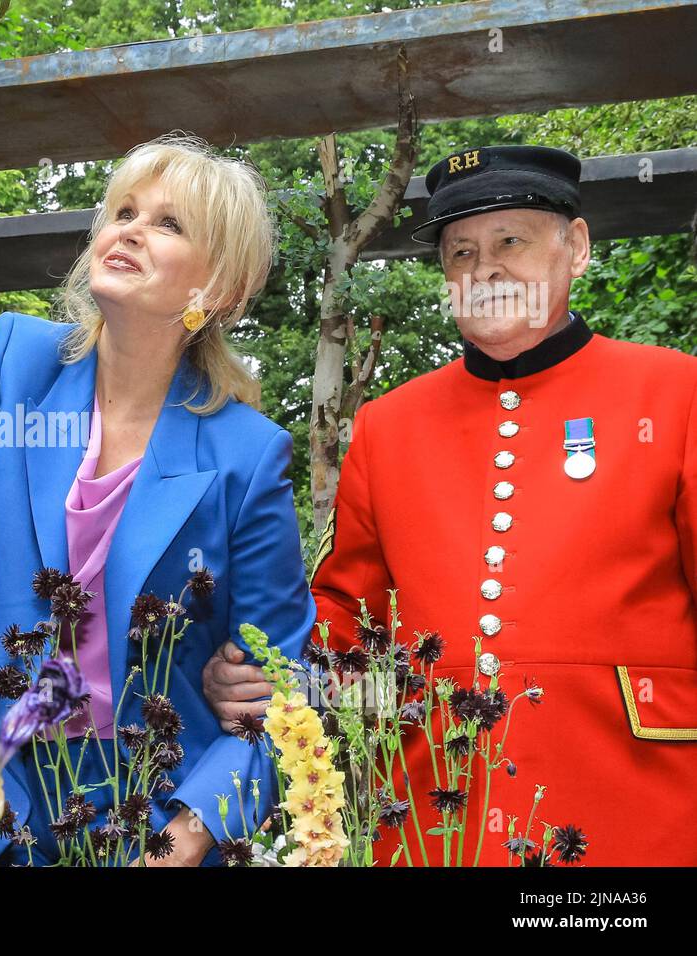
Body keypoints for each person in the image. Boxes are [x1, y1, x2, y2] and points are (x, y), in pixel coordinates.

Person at [0, 107, 316, 866]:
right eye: (123, 212)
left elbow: (279, 696)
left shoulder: (248, 454)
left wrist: (182, 841)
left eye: (167, 223)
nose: (129, 230)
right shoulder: (13, 363)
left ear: (221, 285)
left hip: (150, 800)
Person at [202, 145, 697, 866]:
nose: (484, 269)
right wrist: (267, 671)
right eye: (460, 252)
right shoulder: (389, 423)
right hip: (439, 816)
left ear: (577, 247)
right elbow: (348, 614)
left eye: (510, 242)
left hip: (639, 812)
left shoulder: (675, 392)